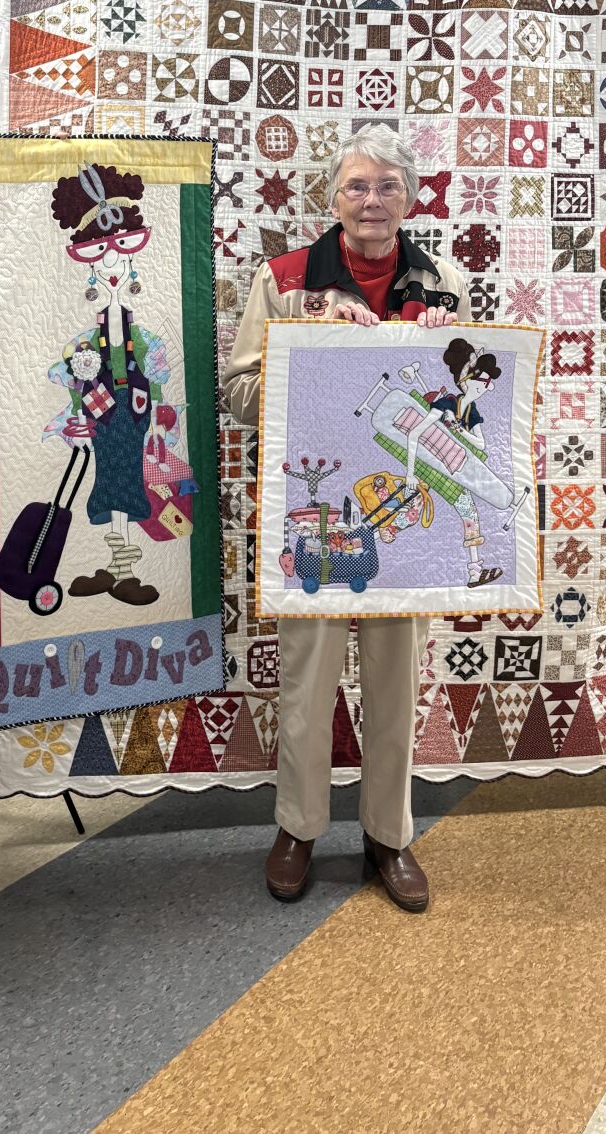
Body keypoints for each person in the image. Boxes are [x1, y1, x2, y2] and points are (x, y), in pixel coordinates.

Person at [221, 122, 469, 913]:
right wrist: (310, 349)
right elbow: (238, 395)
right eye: (356, 186)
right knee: (307, 681)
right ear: (331, 198)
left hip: (404, 517)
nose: (371, 200)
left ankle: (387, 835)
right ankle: (297, 828)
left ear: (410, 197)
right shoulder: (285, 281)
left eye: (387, 185)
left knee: (396, 684)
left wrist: (447, 366)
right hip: (316, 504)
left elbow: (469, 410)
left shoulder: (442, 283)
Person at [42, 162, 181, 606]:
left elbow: (156, 378)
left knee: (129, 481)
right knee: (107, 481)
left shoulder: (141, 335)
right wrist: (77, 417)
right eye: (101, 254)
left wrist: (158, 417)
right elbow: (74, 379)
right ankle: (118, 566)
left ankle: (121, 569)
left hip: (135, 411)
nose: (112, 264)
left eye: (122, 250)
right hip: (103, 410)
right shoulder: (86, 339)